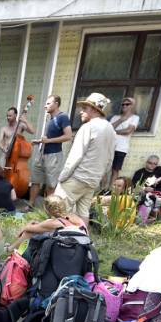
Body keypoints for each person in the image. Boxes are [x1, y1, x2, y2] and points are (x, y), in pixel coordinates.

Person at [55, 93, 116, 226]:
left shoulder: (88, 127)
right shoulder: (111, 129)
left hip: (77, 177)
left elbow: (76, 156)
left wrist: (62, 177)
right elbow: (110, 158)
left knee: (58, 208)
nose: (81, 112)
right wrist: (99, 176)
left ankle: (59, 240)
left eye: (85, 108)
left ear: (94, 110)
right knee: (83, 212)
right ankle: (83, 241)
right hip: (93, 180)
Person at [29, 96, 71, 206]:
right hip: (42, 153)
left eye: (48, 103)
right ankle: (30, 204)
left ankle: (48, 210)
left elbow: (68, 136)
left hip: (54, 155)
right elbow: (48, 138)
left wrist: (49, 141)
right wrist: (39, 141)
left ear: (56, 104)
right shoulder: (49, 119)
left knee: (51, 184)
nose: (45, 106)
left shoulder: (63, 117)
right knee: (35, 180)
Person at [8, 194, 86, 249]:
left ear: (49, 210)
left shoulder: (53, 223)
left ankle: (10, 249)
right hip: (83, 247)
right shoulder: (74, 217)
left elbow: (28, 228)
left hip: (69, 249)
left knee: (29, 232)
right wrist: (40, 225)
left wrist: (29, 224)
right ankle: (12, 247)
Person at [109, 97, 139, 185]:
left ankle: (111, 192)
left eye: (127, 104)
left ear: (132, 106)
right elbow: (109, 129)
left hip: (121, 148)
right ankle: (102, 190)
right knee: (103, 169)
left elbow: (128, 131)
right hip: (109, 146)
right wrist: (121, 120)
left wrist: (114, 131)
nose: (124, 106)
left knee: (115, 170)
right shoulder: (115, 117)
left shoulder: (135, 118)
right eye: (123, 104)